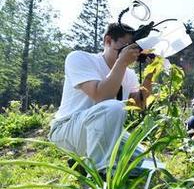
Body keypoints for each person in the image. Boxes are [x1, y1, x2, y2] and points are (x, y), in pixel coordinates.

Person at [48, 22, 154, 171]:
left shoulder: (129, 74)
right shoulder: (80, 58)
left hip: (104, 132)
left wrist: (151, 74)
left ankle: (84, 164)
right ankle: (100, 173)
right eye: (126, 47)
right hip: (68, 129)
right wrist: (122, 62)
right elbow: (101, 96)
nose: (131, 54)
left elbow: (138, 105)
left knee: (147, 164)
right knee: (114, 106)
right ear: (108, 41)